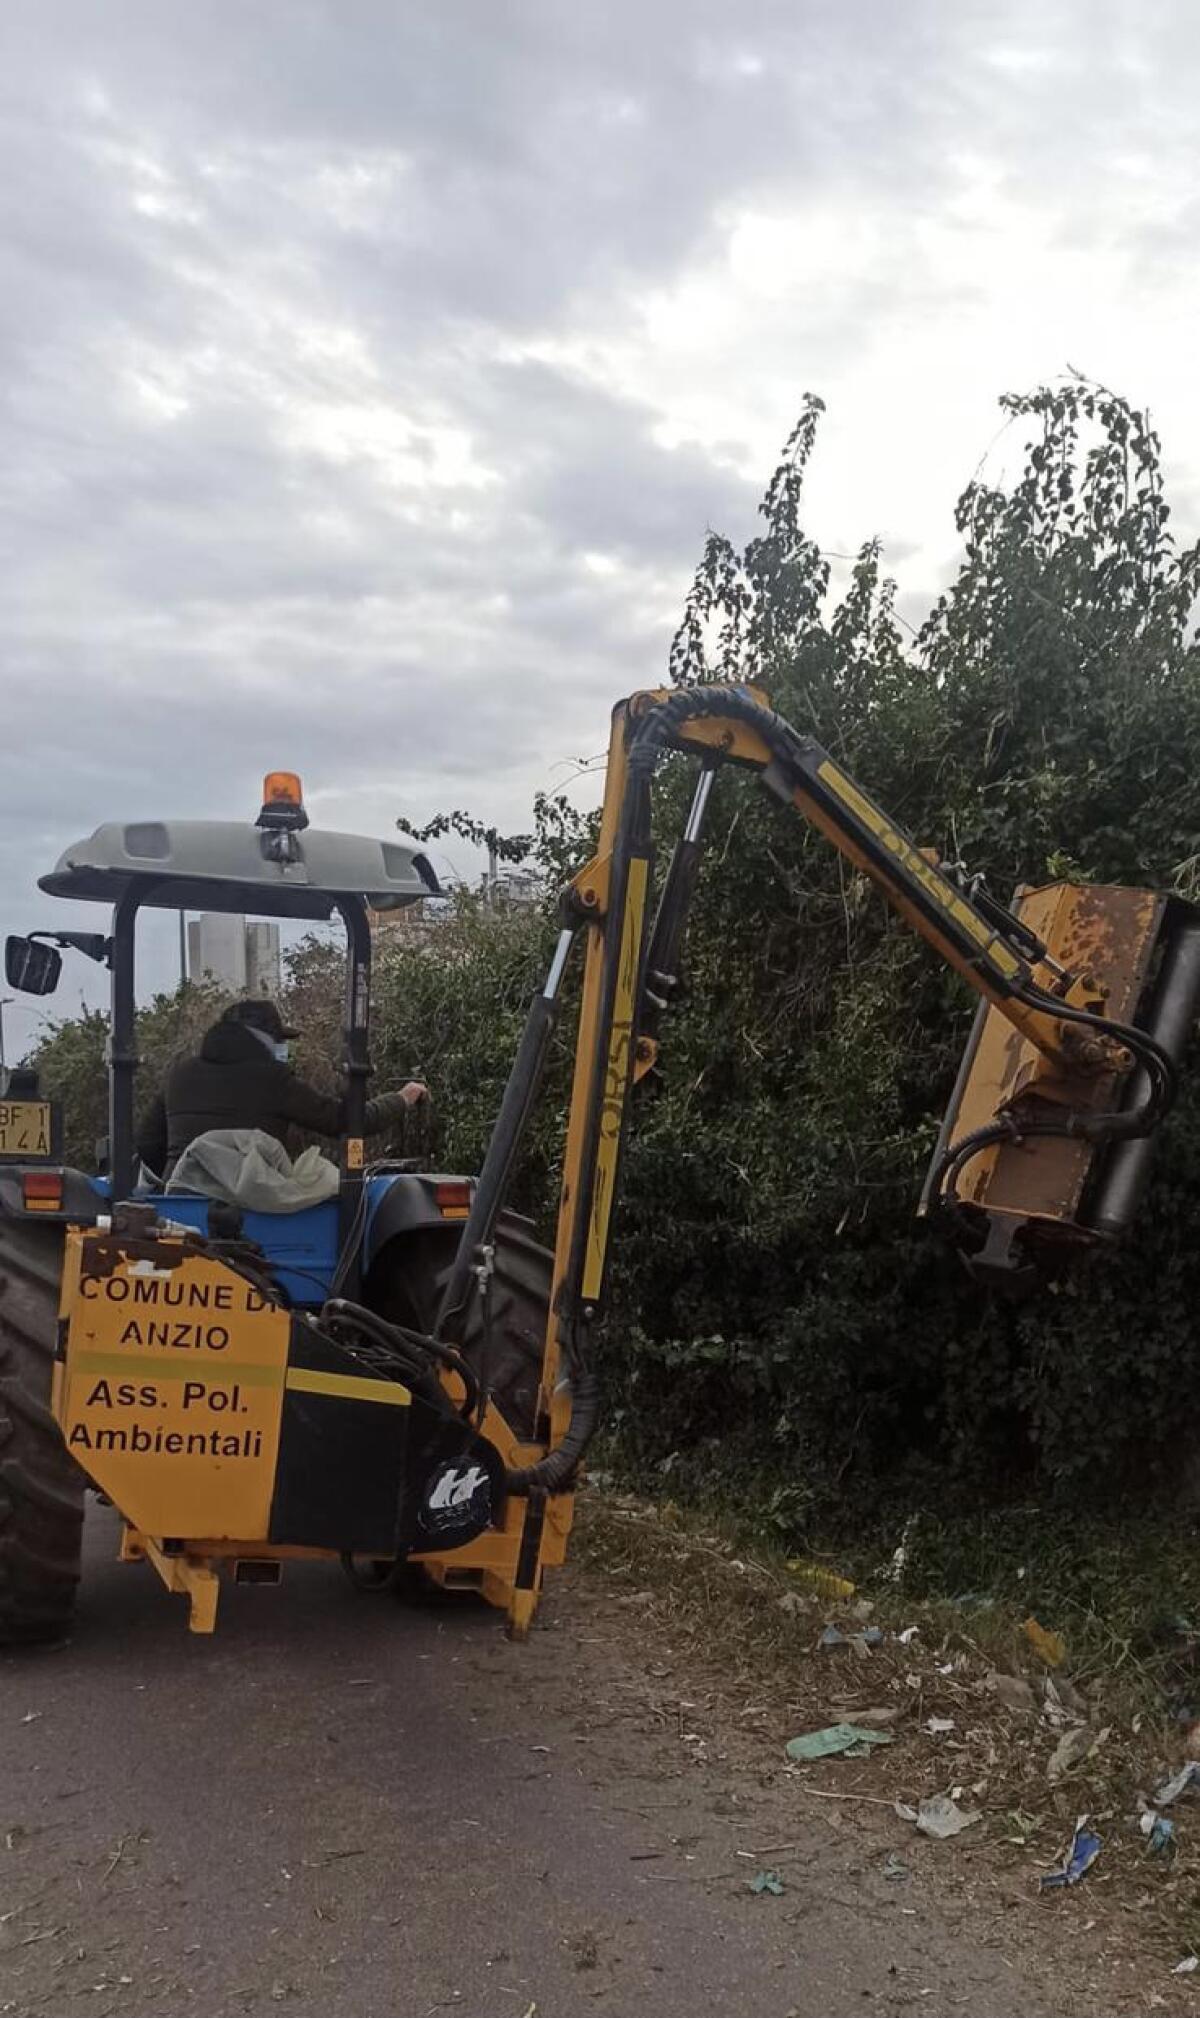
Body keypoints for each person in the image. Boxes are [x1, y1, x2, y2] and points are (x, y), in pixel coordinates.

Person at [135, 998, 428, 1178]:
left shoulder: (179, 1074)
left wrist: (187, 1179)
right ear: (265, 1039)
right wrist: (403, 1098)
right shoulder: (273, 1080)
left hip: (181, 1202)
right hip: (253, 1206)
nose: (282, 1048)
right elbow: (348, 1121)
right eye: (279, 1040)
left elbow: (148, 1145)